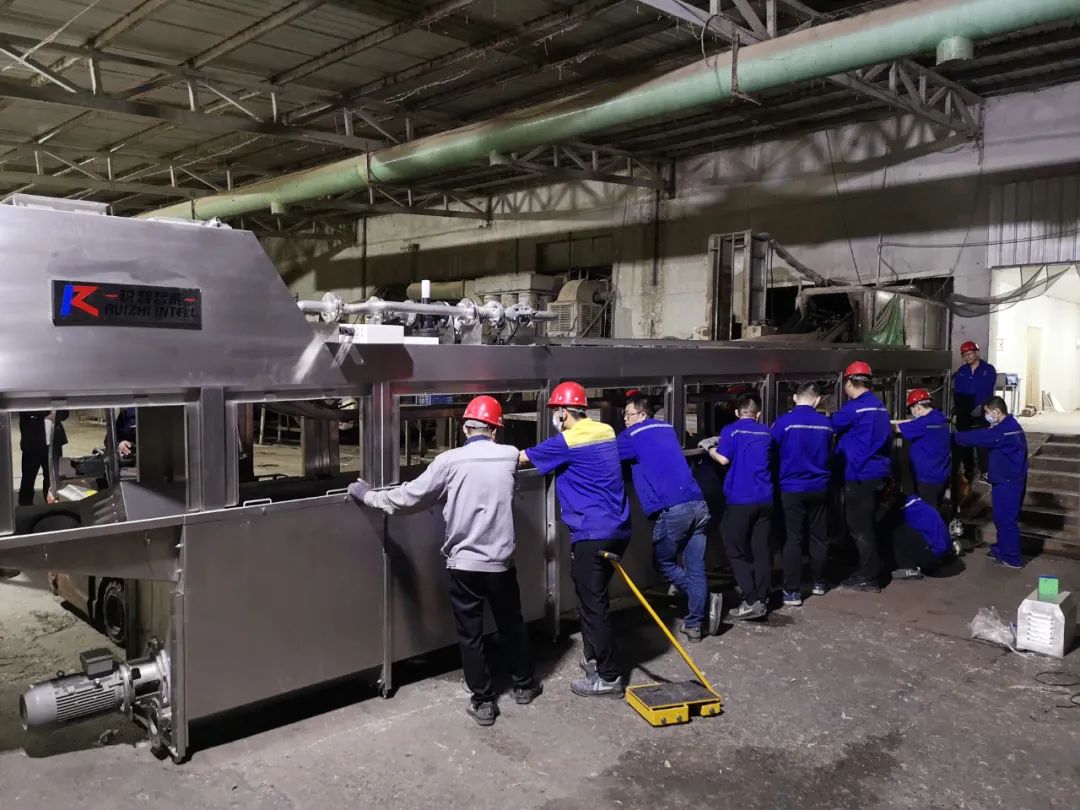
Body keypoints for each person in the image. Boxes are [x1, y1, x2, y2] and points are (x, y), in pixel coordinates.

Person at [349, 396, 541, 727]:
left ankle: (483, 702)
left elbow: (409, 498)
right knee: (511, 624)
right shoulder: (509, 456)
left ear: (465, 428)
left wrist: (368, 495)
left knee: (471, 635)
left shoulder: (448, 461)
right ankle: (524, 685)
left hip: (464, 566)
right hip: (500, 564)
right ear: (495, 430)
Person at [520, 382, 630, 698]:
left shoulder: (567, 442)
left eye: (555, 411)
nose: (555, 417)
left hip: (592, 534)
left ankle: (608, 677)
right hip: (619, 529)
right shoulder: (606, 431)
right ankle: (594, 658)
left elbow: (523, 459)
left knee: (593, 605)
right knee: (592, 597)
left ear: (563, 412)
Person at [618, 392, 720, 642]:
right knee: (696, 568)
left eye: (628, 415)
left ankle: (703, 599)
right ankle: (694, 626)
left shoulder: (633, 435)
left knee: (662, 562)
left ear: (642, 415)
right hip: (698, 503)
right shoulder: (668, 428)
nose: (625, 420)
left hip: (674, 509)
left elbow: (607, 454)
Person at [707, 394, 774, 621]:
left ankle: (751, 599)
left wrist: (709, 448)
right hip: (765, 498)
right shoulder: (766, 432)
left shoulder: (732, 430)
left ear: (737, 413)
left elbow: (723, 459)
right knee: (761, 549)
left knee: (733, 547)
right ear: (758, 414)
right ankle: (763, 597)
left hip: (741, 498)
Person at [831, 361, 892, 593]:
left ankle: (868, 577)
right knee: (868, 524)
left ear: (849, 383)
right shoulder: (879, 406)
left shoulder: (855, 408)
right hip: (877, 473)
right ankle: (868, 566)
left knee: (859, 527)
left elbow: (833, 424)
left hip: (859, 474)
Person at [771, 382, 834, 604]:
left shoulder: (784, 423)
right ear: (817, 400)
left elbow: (771, 449)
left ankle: (792, 591)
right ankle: (819, 582)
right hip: (819, 486)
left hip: (791, 487)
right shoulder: (826, 424)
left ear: (795, 398)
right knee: (819, 536)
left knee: (793, 537)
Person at [954, 396, 1027, 569]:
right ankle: (1002, 550)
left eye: (987, 412)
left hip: (1009, 482)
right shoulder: (1006, 427)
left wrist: (954, 436)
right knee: (1000, 518)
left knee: (1006, 520)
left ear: (996, 411)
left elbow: (981, 437)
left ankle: (1012, 558)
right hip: (1003, 480)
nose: (986, 416)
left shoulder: (1006, 430)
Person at [894, 389, 951, 513]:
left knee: (928, 514)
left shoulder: (923, 424)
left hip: (927, 478)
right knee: (934, 508)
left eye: (911, 409)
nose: (912, 412)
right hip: (941, 474)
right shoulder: (939, 417)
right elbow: (912, 422)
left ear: (918, 408)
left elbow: (897, 428)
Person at [953, 341, 997, 487]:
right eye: (965, 355)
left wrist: (981, 407)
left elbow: (987, 391)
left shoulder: (988, 370)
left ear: (977, 353)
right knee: (965, 443)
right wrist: (958, 410)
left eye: (970, 353)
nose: (968, 357)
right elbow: (958, 392)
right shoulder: (962, 371)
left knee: (982, 443)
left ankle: (985, 472)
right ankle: (968, 472)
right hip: (964, 412)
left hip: (982, 411)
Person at [888, 494, 953, 580]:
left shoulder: (908, 511)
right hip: (942, 554)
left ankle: (907, 568)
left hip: (932, 556)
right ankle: (927, 564)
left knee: (898, 530)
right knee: (916, 531)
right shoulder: (920, 505)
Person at [18, 410, 68, 506]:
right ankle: (25, 509)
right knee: (28, 480)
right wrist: (50, 413)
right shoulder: (28, 401)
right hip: (32, 444)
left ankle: (50, 507)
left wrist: (53, 414)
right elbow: (28, 411)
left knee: (52, 480)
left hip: (53, 444)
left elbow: (65, 414)